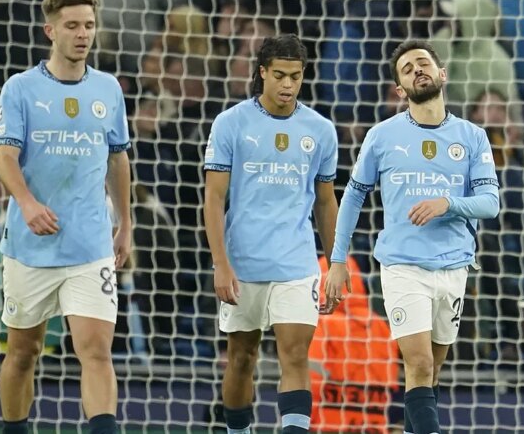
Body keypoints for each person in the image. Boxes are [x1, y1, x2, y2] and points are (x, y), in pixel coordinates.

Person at [323, 40, 500, 434]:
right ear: (400, 90)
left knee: (431, 373)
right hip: (403, 266)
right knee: (418, 364)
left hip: (455, 266)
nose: (417, 69)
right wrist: (337, 259)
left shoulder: (471, 136)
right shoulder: (382, 136)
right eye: (407, 69)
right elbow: (353, 195)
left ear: (442, 74)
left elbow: (491, 202)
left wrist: (448, 203)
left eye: (423, 63)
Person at [0, 0, 132, 434]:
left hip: (90, 245)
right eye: (72, 25)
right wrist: (27, 203)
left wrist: (125, 225)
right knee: (23, 352)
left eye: (89, 25)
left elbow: (118, 158)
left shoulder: (109, 89)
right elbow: (5, 157)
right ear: (50, 30)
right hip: (30, 246)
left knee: (95, 351)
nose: (82, 34)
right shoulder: (20, 88)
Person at [203, 34, 339, 434]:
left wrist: (334, 263)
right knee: (242, 358)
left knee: (295, 356)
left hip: (297, 264)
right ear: (262, 72)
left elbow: (326, 202)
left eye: (295, 76)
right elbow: (213, 200)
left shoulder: (320, 129)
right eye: (279, 75)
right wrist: (221, 265)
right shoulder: (230, 123)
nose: (287, 84)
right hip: (242, 264)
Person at [309, 255, 399, 433]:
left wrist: (305, 420)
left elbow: (312, 379)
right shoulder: (380, 326)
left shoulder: (322, 323)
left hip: (329, 424)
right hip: (372, 425)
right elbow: (391, 382)